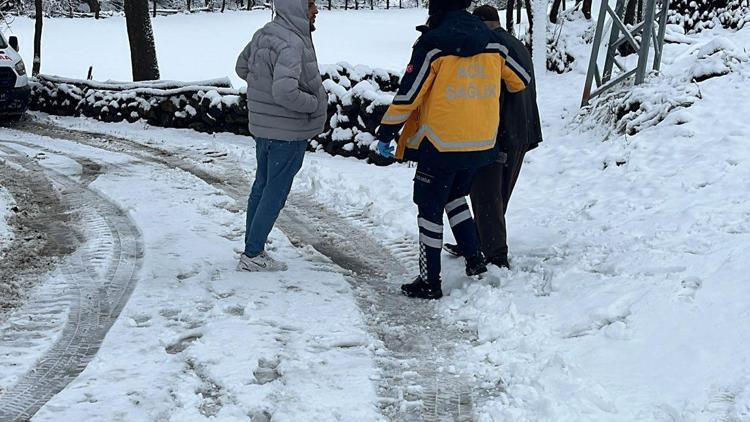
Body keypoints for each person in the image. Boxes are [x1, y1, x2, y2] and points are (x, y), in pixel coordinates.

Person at [376, 0, 532, 299]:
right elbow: (519, 81)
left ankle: (429, 281)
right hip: (482, 142)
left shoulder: (432, 44)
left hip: (441, 143)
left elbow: (409, 94)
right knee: (455, 196)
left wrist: (386, 131)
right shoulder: (494, 42)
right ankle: (475, 260)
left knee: (429, 207)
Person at [443, 5, 543, 269]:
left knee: (486, 193)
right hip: (524, 128)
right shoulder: (516, 43)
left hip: (499, 130)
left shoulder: (490, 46)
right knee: (499, 192)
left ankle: (496, 255)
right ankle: (477, 241)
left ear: (481, 24)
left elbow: (491, 91)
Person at [234, 0, 327, 272]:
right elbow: (284, 92)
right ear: (296, 7)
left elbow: (242, 68)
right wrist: (314, 103)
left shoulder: (265, 33)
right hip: (288, 131)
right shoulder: (292, 43)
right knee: (275, 192)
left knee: (261, 187)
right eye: (310, 4)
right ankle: (253, 254)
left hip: (265, 129)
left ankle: (253, 247)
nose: (316, 10)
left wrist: (262, 91)